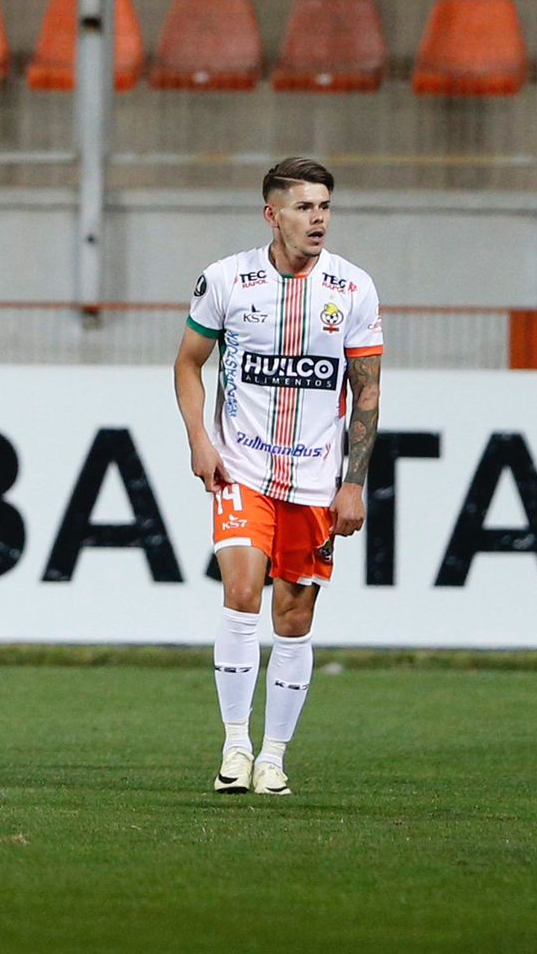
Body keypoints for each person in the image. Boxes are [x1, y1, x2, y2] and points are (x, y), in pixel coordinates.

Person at [173, 157, 383, 796]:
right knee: (241, 592)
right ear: (273, 214)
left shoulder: (353, 290)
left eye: (324, 206)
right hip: (241, 468)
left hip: (318, 480)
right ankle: (234, 748)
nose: (317, 218)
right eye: (303, 207)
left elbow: (367, 391)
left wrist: (355, 482)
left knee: (293, 616)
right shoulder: (226, 281)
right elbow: (188, 364)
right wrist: (200, 441)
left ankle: (274, 756)